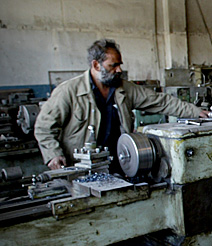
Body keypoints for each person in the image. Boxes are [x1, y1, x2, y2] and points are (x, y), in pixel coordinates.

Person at [34, 38, 209, 174]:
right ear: (96, 65)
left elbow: (161, 102)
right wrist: (53, 155)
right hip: (81, 168)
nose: (119, 70)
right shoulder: (68, 91)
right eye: (113, 65)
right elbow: (44, 127)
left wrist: (195, 111)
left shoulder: (125, 89)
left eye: (119, 64)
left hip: (121, 163)